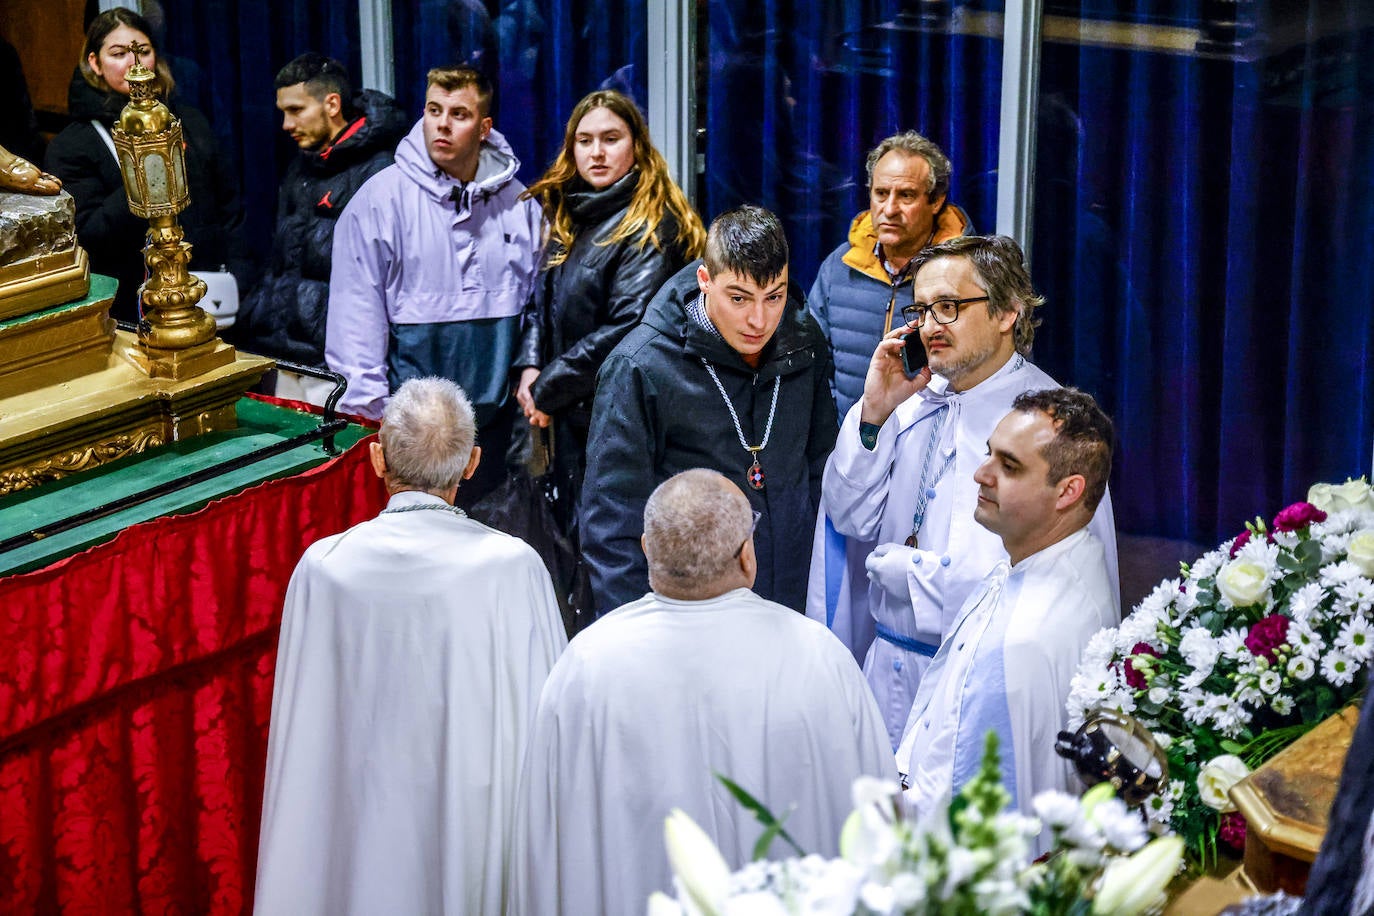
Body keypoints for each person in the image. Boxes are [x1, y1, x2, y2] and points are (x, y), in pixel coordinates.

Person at [508, 469, 893, 916]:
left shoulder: (585, 667)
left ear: (647, 551)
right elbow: (881, 828)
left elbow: (542, 843)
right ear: (747, 557)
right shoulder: (820, 659)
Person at [253, 376, 566, 916]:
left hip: (355, 852)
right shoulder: (512, 569)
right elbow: (550, 746)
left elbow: (305, 754)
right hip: (470, 844)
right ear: (472, 463)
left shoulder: (325, 569)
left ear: (376, 459)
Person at [809, 234, 1119, 749]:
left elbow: (1064, 582)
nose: (930, 326)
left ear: (1007, 313)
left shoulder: (1050, 427)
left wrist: (912, 578)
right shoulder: (908, 402)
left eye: (949, 307)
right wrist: (872, 414)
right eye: (922, 309)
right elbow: (849, 520)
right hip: (886, 668)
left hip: (982, 682)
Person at [580, 205, 837, 614]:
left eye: (775, 297)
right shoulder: (641, 365)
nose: (759, 319)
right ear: (705, 280)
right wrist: (632, 627)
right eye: (739, 298)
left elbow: (822, 471)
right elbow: (611, 521)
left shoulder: (805, 344)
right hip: (686, 611)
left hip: (792, 604)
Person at [894, 388, 1117, 844]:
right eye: (988, 454)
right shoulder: (1049, 560)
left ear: (1068, 491)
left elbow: (969, 798)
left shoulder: (1024, 640)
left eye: (1009, 466)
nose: (981, 474)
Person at [326, 66, 542, 508]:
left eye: (458, 113)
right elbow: (354, 332)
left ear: (485, 128)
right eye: (433, 110)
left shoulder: (520, 206)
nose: (442, 124)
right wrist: (373, 425)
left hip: (496, 439)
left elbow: (538, 308)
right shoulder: (378, 203)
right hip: (411, 440)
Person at [515, 89, 705, 532]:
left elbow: (630, 328)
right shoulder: (574, 211)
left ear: (636, 145)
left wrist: (548, 387)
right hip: (569, 414)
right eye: (585, 141)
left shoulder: (651, 225)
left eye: (611, 138)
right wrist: (529, 365)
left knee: (608, 546)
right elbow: (540, 298)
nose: (596, 152)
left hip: (620, 418)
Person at [45, 7, 251, 322]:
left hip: (210, 288)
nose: (134, 62)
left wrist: (238, 271)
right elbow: (88, 233)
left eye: (143, 50)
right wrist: (142, 172)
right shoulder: (73, 145)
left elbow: (230, 206)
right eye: (118, 53)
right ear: (94, 63)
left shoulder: (187, 121)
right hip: (133, 303)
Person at [233, 53, 407, 405]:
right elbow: (283, 263)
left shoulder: (380, 172)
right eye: (283, 111)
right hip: (287, 359)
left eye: (296, 110)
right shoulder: (302, 166)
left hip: (339, 370)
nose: (285, 124)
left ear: (331, 104)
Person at [809, 131, 972, 417]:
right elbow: (812, 363)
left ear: (936, 201)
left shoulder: (967, 274)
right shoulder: (839, 267)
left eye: (906, 195)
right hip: (850, 445)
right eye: (881, 193)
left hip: (933, 450)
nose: (890, 209)